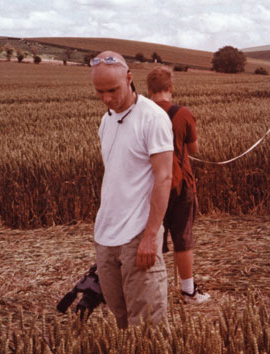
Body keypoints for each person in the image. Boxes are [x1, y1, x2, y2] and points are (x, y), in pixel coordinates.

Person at [90, 51, 173, 328]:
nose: (107, 98)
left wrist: (151, 237)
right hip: (106, 236)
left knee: (148, 327)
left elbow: (164, 178)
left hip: (138, 236)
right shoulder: (106, 121)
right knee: (122, 320)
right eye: (99, 91)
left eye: (112, 90)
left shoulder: (153, 118)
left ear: (129, 79)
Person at [146, 65, 210, 304]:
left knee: (154, 237)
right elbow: (193, 150)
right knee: (182, 238)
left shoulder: (142, 114)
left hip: (151, 186)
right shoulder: (183, 113)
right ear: (171, 88)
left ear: (149, 89)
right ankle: (188, 292)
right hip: (181, 184)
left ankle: (155, 291)